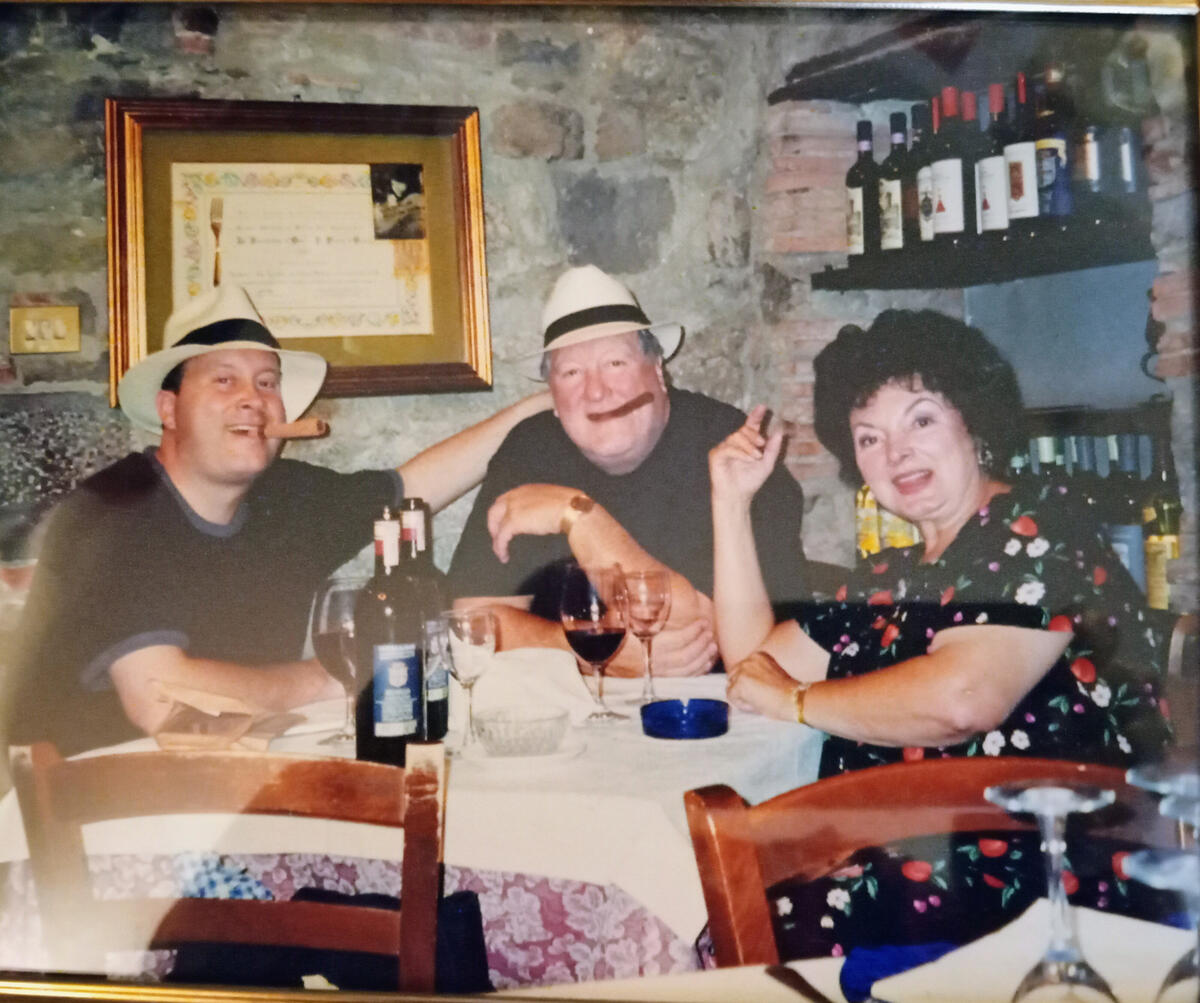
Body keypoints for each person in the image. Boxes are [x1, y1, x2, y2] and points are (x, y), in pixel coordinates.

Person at [708, 309, 1175, 959]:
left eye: (920, 419)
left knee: (763, 920)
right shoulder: (889, 578)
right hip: (917, 866)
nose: (895, 453)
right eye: (869, 438)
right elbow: (751, 666)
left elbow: (962, 700)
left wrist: (795, 700)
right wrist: (730, 504)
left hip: (1047, 880)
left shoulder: (1042, 531)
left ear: (974, 422)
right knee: (729, 909)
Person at [6, 284, 550, 756]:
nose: (253, 399)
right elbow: (165, 700)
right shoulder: (112, 511)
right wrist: (341, 676)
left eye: (268, 383)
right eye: (224, 381)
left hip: (224, 782)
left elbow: (413, 488)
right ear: (168, 409)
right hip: (88, 816)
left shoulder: (285, 498)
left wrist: (544, 406)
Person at [446, 265, 808, 676]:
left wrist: (576, 515)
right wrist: (589, 652)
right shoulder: (528, 450)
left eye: (615, 363)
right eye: (571, 372)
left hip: (715, 716)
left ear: (657, 369)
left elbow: (700, 637)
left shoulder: (733, 452)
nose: (597, 391)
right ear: (552, 392)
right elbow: (470, 623)